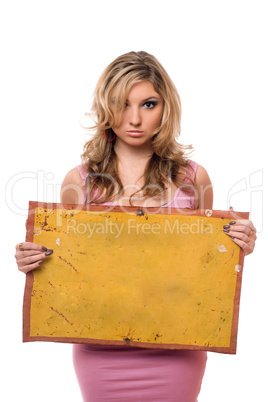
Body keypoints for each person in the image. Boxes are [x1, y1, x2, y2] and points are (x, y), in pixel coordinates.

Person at [15, 51, 257, 401]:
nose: (134, 119)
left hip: (178, 347)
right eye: (121, 103)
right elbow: (67, 263)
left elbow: (208, 259)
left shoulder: (192, 177)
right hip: (100, 348)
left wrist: (238, 241)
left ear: (165, 108)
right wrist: (32, 258)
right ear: (105, 106)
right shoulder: (80, 181)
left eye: (148, 104)